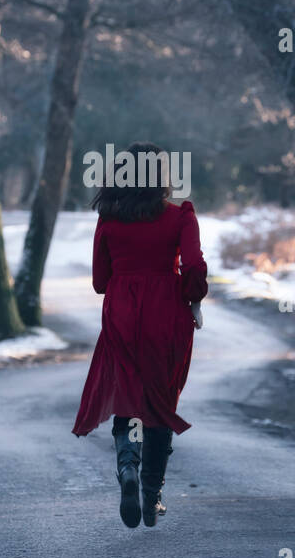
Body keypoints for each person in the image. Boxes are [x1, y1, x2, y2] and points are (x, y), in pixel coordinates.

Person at [72, 142, 208, 528]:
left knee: (128, 397)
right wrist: (192, 299)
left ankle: (127, 466)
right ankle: (151, 496)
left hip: (122, 314)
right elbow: (194, 265)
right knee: (160, 402)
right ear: (161, 176)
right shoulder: (181, 215)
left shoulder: (109, 219)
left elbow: (101, 282)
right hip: (167, 315)